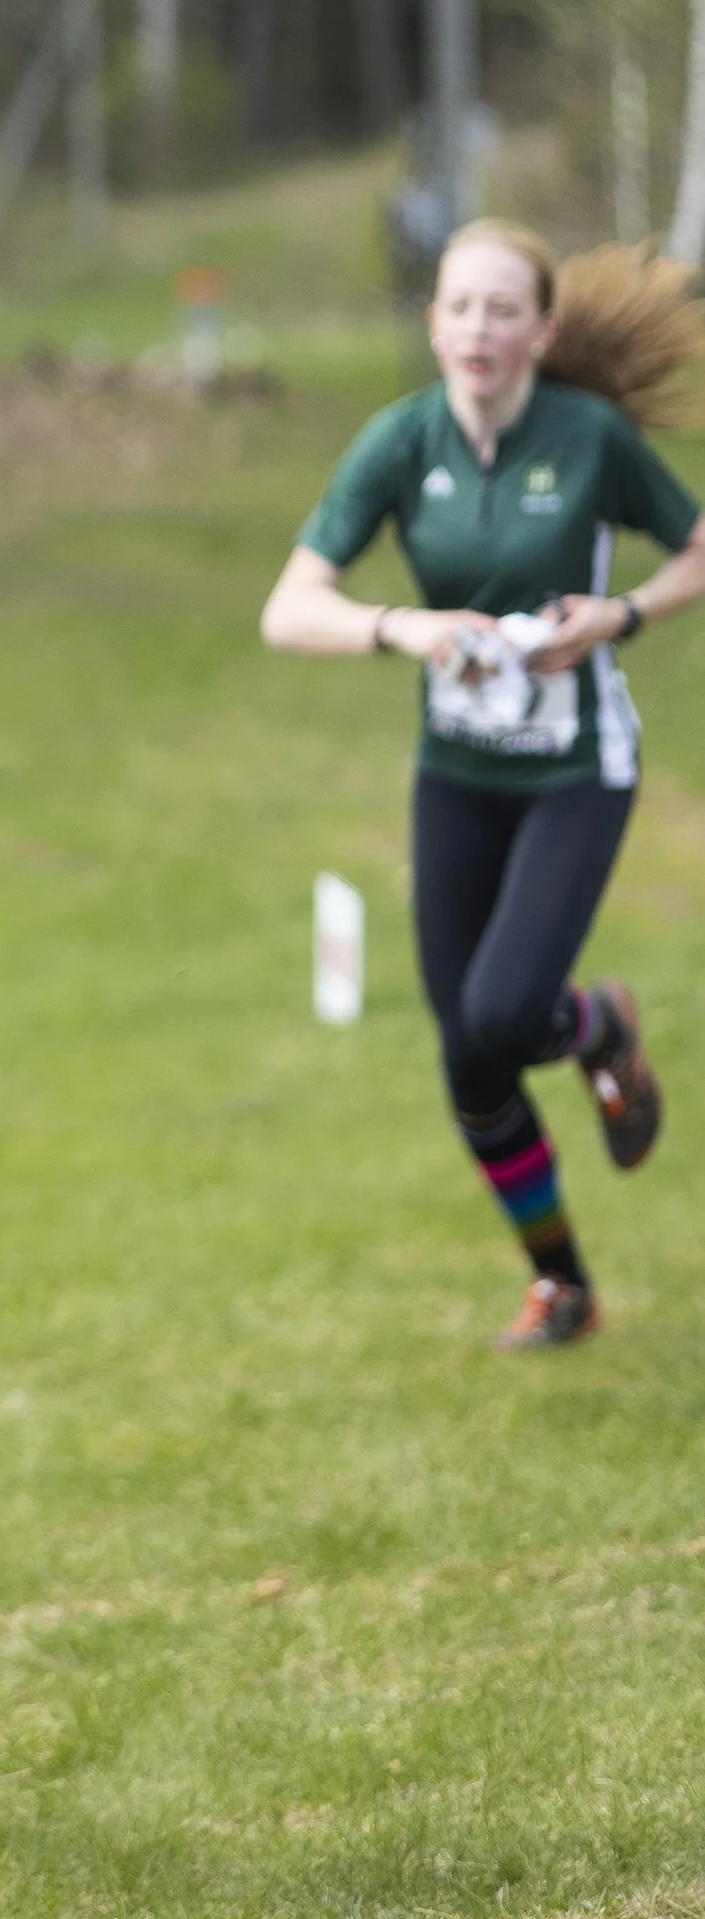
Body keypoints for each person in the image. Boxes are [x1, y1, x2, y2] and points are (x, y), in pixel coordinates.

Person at [260, 222, 705, 1349]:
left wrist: (624, 613)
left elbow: (697, 546)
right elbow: (289, 606)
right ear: (432, 322)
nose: (478, 329)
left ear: (540, 330)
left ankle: (595, 1021)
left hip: (574, 769)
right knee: (467, 1058)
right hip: (455, 776)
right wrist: (398, 626)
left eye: (503, 309)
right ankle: (562, 1283)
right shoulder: (399, 443)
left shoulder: (590, 437)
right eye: (459, 307)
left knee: (505, 1013)